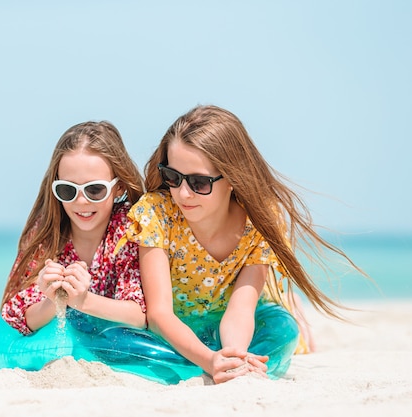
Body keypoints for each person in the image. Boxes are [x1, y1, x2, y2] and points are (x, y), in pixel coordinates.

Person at [125, 104, 365, 384]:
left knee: (283, 331)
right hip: (172, 326)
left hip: (234, 321)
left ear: (232, 178)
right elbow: (158, 313)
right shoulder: (156, 213)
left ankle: (285, 303)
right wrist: (210, 361)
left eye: (199, 182)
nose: (183, 193)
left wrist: (232, 357)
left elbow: (240, 308)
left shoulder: (261, 219)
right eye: (173, 177)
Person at [0, 120, 146, 334]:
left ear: (119, 187)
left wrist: (83, 301)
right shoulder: (48, 236)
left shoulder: (129, 231)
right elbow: (15, 315)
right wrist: (55, 300)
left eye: (95, 189)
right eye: (67, 190)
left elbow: (140, 315)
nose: (81, 201)